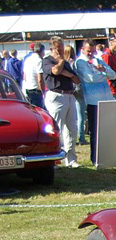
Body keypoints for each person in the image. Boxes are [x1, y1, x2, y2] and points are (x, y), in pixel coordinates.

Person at [74, 39, 115, 165]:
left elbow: (113, 75)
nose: (91, 54)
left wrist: (102, 70)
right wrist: (104, 73)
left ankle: (109, 156)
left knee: (108, 129)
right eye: (88, 51)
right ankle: (95, 158)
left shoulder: (98, 59)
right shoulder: (80, 62)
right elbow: (90, 78)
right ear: (82, 50)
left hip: (107, 98)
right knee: (95, 132)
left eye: (92, 51)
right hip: (93, 101)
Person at [42, 37, 79, 168]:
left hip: (69, 95)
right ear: (52, 49)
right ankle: (54, 159)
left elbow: (76, 79)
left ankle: (71, 159)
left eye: (62, 48)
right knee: (56, 129)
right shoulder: (47, 60)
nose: (62, 51)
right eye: (59, 49)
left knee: (72, 130)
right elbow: (56, 71)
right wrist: (61, 62)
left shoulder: (66, 63)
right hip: (56, 95)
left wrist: (65, 72)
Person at [22, 43, 44, 108]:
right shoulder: (39, 60)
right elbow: (40, 78)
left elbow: (24, 75)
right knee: (38, 110)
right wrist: (42, 91)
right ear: (42, 51)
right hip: (36, 89)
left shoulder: (27, 59)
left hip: (28, 87)